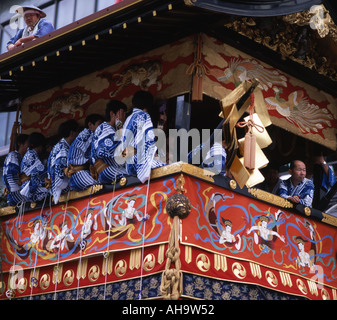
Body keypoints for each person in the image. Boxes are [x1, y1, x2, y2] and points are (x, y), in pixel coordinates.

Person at [118, 90, 165, 183]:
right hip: (139, 162)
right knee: (167, 168)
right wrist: (154, 156)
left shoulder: (128, 119)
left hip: (128, 164)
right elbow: (147, 141)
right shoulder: (143, 116)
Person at [91, 100, 127, 184]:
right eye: (122, 114)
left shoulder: (110, 129)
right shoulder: (105, 128)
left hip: (109, 170)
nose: (124, 118)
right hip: (107, 170)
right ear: (112, 114)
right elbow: (116, 153)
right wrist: (120, 125)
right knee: (135, 174)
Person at [66, 114, 104, 191]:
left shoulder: (86, 135)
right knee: (101, 185)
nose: (101, 128)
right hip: (78, 174)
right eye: (99, 124)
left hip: (80, 174)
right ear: (90, 125)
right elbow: (94, 156)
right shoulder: (88, 134)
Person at [47, 120, 79, 204]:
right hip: (62, 187)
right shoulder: (62, 147)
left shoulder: (57, 146)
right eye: (77, 133)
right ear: (72, 133)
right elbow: (60, 175)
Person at [20, 132, 48, 203]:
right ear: (40, 145)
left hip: (30, 189)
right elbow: (41, 173)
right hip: (31, 191)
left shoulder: (29, 154)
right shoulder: (31, 155)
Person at [2, 134, 29, 206]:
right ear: (20, 143)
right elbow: (11, 177)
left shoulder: (22, 157)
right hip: (16, 196)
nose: (29, 146)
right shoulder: (13, 155)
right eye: (28, 143)